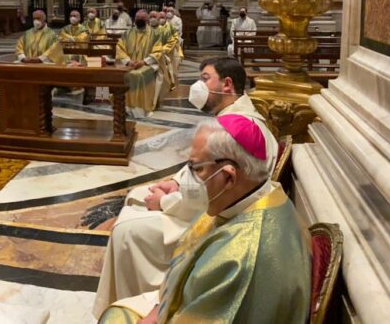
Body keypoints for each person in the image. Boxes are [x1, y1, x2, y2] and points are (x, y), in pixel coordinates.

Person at [94, 58, 276, 317]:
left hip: (212, 217)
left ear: (226, 84)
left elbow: (209, 193)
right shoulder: (236, 118)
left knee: (126, 230)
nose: (198, 85)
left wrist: (165, 202)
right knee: (136, 197)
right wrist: (176, 182)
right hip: (210, 206)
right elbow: (202, 171)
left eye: (205, 78)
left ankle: (137, 300)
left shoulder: (235, 127)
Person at [98, 113, 309, 324]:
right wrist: (158, 308)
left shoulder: (239, 259)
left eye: (197, 168)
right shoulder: (259, 194)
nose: (188, 178)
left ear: (228, 177)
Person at [114, 9, 168, 118]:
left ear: (147, 20)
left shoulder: (155, 34)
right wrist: (128, 61)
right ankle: (126, 106)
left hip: (147, 64)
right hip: (129, 63)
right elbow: (120, 48)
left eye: (142, 19)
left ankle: (140, 108)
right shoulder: (127, 33)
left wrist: (143, 62)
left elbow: (158, 52)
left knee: (138, 75)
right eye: (137, 18)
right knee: (123, 75)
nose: (139, 20)